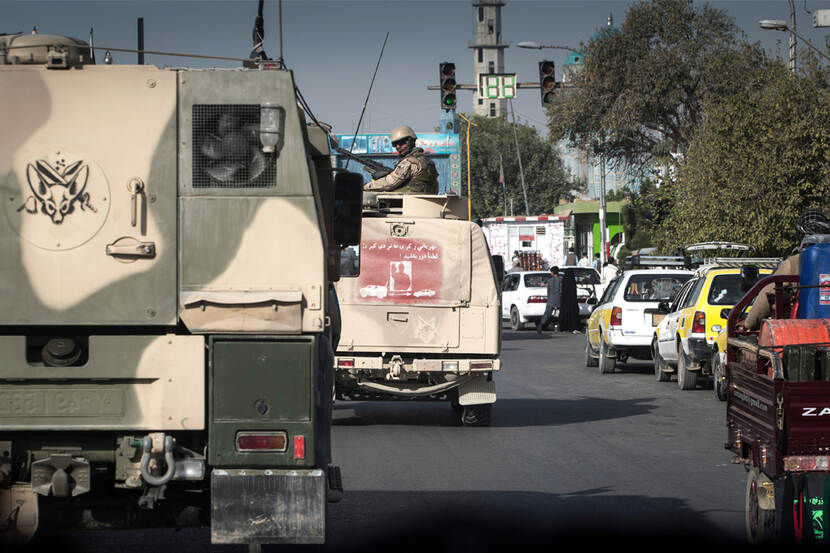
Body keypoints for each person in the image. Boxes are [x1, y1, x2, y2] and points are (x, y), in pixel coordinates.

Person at [743, 209, 830, 330]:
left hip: (806, 330)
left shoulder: (793, 262)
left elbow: (766, 297)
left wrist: (749, 323)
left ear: (800, 234)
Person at [363, 125, 439, 194]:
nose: (398, 147)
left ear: (411, 141)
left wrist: (365, 186)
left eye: (401, 142)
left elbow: (390, 183)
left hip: (407, 202)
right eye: (395, 144)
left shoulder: (410, 162)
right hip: (424, 200)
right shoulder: (427, 161)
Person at [537, 266, 562, 334]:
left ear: (553, 272)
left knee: (547, 314)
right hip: (559, 299)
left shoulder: (549, 280)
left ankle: (540, 325)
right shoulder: (561, 279)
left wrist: (549, 298)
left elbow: (548, 291)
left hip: (551, 299)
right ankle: (557, 327)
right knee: (558, 314)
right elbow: (561, 290)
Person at [558, 269, 580, 333]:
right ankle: (573, 327)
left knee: (565, 313)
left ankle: (564, 327)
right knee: (573, 314)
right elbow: (574, 293)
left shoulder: (564, 281)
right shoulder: (572, 281)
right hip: (572, 301)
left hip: (565, 301)